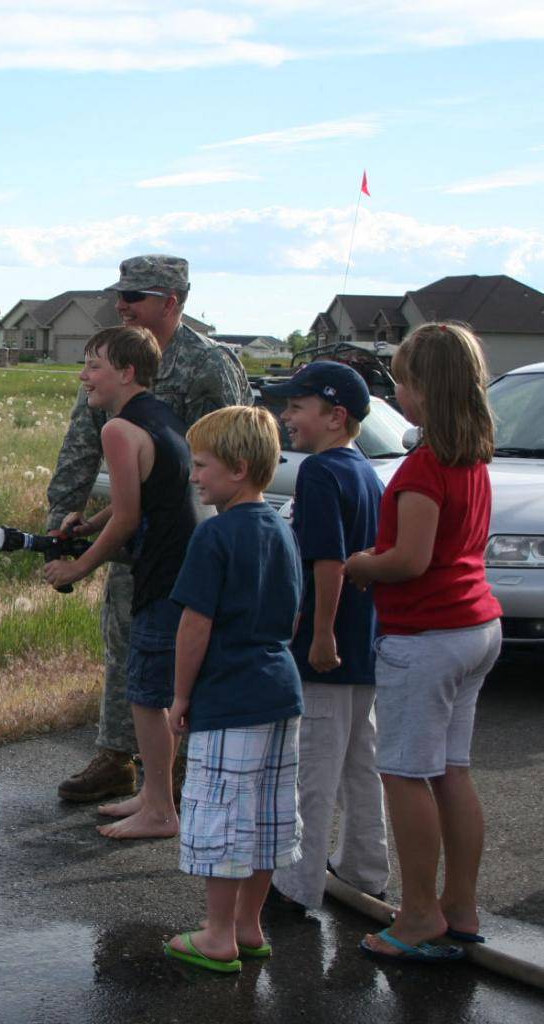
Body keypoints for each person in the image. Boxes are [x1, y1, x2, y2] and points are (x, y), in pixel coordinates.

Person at [49, 254, 250, 808]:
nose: (123, 305)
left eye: (135, 297)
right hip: (133, 532)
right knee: (125, 645)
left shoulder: (207, 363)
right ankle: (118, 758)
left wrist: (232, 538)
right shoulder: (115, 358)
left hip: (192, 538)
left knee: (184, 652)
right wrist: (62, 522)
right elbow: (80, 443)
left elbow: (240, 451)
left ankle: (183, 766)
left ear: (171, 301)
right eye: (120, 295)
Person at [345, 322, 501, 964]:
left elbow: (408, 560)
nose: (398, 393)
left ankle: (416, 916)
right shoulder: (473, 462)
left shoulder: (423, 469)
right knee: (451, 770)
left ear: (425, 390)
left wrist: (361, 564)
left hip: (426, 637)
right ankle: (458, 908)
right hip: (476, 627)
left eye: (404, 382)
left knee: (404, 774)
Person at [43, 326, 198, 841]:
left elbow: (130, 519)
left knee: (146, 698)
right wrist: (91, 521)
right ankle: (154, 796)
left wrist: (77, 566)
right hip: (187, 572)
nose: (84, 376)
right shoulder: (158, 414)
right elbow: (146, 494)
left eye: (94, 366)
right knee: (150, 693)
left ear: (127, 373)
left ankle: (161, 813)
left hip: (161, 576)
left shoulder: (115, 429)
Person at [163, 405, 303, 973]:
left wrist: (180, 696)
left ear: (239, 469)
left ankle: (217, 934)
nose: (194, 476)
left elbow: (195, 625)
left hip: (229, 697)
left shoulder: (214, 535)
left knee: (220, 811)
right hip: (280, 691)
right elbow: (292, 617)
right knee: (268, 813)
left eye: (202, 465)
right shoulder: (281, 528)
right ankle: (249, 925)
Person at [261, 362, 390, 909]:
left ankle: (297, 883)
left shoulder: (319, 473)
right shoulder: (365, 471)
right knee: (361, 760)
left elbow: (330, 562)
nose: (286, 417)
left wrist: (320, 636)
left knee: (314, 765)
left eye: (297, 406)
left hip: (328, 649)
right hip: (365, 644)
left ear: (335, 416)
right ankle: (365, 866)